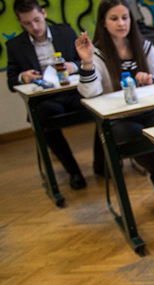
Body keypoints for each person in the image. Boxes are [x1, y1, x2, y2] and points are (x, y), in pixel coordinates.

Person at [75, 0, 154, 208]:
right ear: (103, 22)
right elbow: (90, 92)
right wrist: (86, 62)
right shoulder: (97, 54)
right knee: (133, 137)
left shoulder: (144, 46)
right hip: (118, 117)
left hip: (148, 110)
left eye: (125, 18)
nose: (121, 23)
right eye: (114, 19)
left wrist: (151, 79)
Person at [6, 0, 97, 189]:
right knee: (42, 118)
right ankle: (74, 172)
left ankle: (102, 163)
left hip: (73, 93)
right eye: (27, 23)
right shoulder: (15, 45)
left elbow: (85, 60)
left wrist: (75, 66)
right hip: (44, 99)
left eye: (37, 20)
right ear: (19, 22)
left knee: (99, 106)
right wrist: (24, 76)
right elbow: (11, 80)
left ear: (44, 14)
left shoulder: (64, 32)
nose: (35, 27)